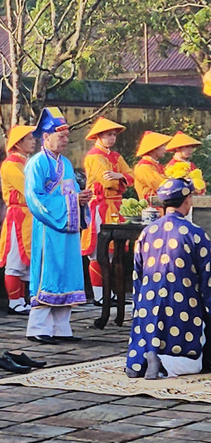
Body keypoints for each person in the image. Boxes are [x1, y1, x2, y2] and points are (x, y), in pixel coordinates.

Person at [125, 178, 210, 378]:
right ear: (187, 200)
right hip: (183, 310)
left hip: (148, 309)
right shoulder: (195, 233)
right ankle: (164, 363)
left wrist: (138, 308)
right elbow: (208, 280)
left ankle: (140, 361)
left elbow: (137, 274)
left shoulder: (147, 232)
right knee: (196, 363)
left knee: (147, 336)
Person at [25, 108, 91, 344]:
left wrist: (81, 198)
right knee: (48, 273)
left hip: (68, 227)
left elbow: (70, 190)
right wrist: (72, 201)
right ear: (46, 137)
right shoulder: (36, 164)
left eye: (66, 136)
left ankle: (62, 328)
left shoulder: (65, 164)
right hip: (49, 228)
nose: (65, 140)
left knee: (67, 273)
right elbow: (34, 198)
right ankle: (38, 328)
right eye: (60, 136)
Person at [82, 118, 133, 305]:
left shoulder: (116, 156)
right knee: (98, 251)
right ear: (99, 136)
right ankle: (98, 295)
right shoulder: (94, 156)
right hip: (100, 206)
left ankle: (109, 293)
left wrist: (121, 176)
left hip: (114, 206)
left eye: (113, 135)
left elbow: (130, 175)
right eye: (108, 135)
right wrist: (122, 179)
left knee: (112, 252)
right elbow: (108, 182)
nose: (112, 138)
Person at [0, 125, 38, 315]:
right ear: (19, 143)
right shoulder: (11, 164)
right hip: (19, 216)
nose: (34, 141)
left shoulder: (28, 162)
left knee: (28, 260)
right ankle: (14, 301)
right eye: (30, 138)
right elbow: (29, 187)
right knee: (15, 259)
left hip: (32, 215)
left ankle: (23, 299)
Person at [133, 131, 171, 202]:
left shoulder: (157, 165)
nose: (165, 148)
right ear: (154, 149)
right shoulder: (143, 167)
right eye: (162, 145)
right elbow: (161, 185)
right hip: (151, 208)